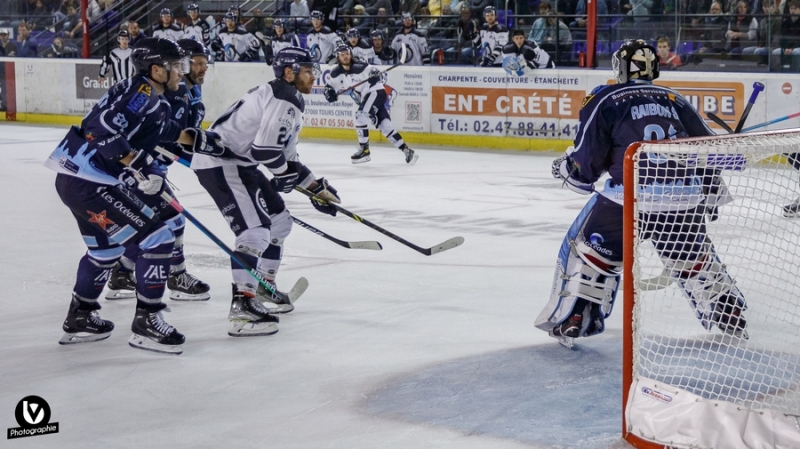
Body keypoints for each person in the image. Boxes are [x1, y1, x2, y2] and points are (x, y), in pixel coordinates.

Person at [535, 39, 748, 347]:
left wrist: (569, 168)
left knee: (589, 252)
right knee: (691, 258)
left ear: (620, 68)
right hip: (682, 199)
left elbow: (589, 157)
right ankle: (729, 311)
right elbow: (706, 150)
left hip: (630, 198)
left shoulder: (605, 97)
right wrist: (711, 192)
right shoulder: (675, 100)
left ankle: (576, 316)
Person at [44, 38, 222, 355]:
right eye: (176, 67)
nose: (181, 73)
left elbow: (163, 130)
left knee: (105, 250)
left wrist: (203, 142)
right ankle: (147, 323)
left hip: (74, 180)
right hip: (92, 183)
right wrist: (140, 167)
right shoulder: (141, 94)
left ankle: (80, 317)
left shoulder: (148, 94)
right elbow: (100, 130)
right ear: (156, 70)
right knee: (158, 238)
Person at [190, 47, 338, 335]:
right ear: (289, 72)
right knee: (254, 233)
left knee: (280, 223)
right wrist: (283, 175)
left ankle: (263, 287)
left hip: (239, 162)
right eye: (307, 70)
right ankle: (242, 308)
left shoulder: (286, 95)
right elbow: (266, 151)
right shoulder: (285, 96)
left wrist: (315, 188)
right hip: (223, 162)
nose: (313, 77)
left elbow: (286, 157)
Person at [104, 39, 214, 303]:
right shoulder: (171, 94)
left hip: (145, 168)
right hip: (138, 171)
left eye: (204, 64)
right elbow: (165, 137)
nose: (201, 68)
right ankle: (175, 277)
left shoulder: (187, 91)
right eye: (195, 63)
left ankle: (123, 271)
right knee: (171, 221)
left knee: (160, 224)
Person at [323, 43, 418, 164]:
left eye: (347, 53)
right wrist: (329, 93)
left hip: (375, 92)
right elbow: (328, 88)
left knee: (360, 115)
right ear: (338, 57)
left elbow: (379, 75)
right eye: (342, 55)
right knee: (385, 126)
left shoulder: (360, 66)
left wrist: (376, 77)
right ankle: (407, 150)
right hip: (368, 97)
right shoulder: (336, 73)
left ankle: (365, 150)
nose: (346, 56)